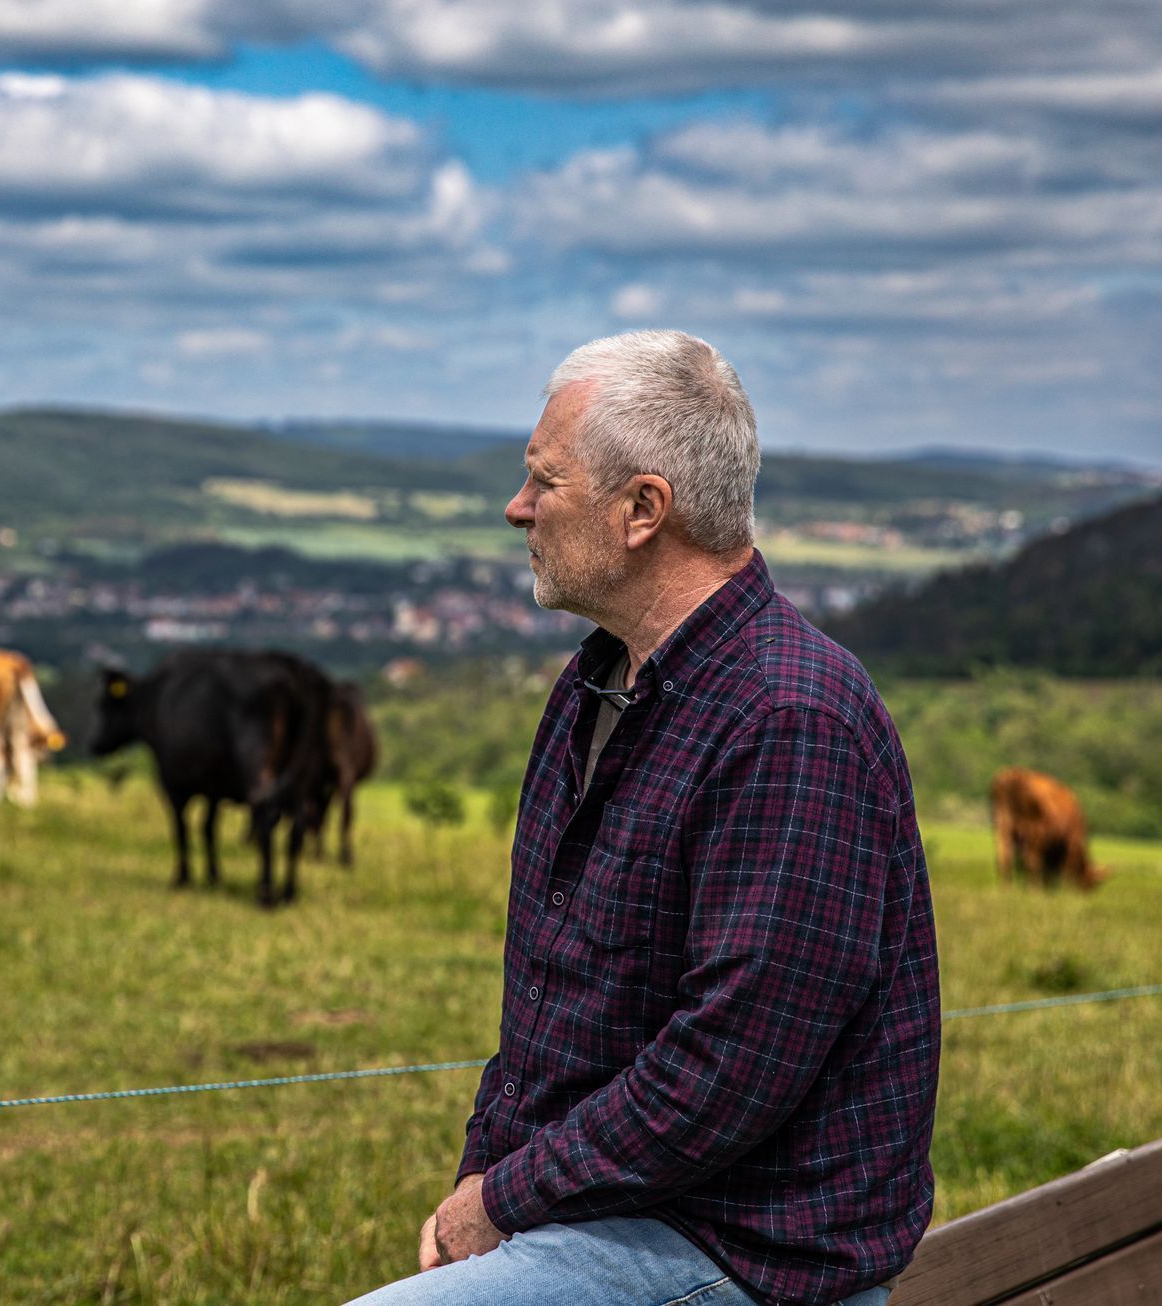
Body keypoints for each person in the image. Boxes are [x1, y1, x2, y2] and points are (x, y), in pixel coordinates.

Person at [350, 331, 939, 1306]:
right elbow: (547, 1004)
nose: (516, 508)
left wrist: (504, 1195)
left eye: (543, 481)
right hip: (612, 1219)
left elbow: (729, 1069)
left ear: (641, 510)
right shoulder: (595, 685)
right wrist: (481, 1181)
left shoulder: (789, 716)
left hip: (746, 1254)